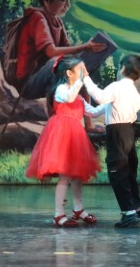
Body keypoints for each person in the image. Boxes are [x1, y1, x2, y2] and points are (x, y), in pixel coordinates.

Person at [25, 55, 103, 227]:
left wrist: (111, 104)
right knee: (65, 176)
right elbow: (68, 98)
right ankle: (59, 213)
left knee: (77, 175)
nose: (84, 72)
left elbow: (94, 112)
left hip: (76, 136)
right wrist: (81, 81)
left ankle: (78, 208)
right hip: (62, 135)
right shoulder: (61, 89)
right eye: (80, 69)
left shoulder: (79, 97)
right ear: (69, 73)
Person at [12, 0, 107, 102]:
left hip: (45, 77)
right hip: (28, 84)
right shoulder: (38, 18)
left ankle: (86, 112)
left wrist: (89, 54)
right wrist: (85, 47)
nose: (67, 5)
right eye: (63, 0)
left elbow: (67, 51)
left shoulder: (57, 22)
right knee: (56, 62)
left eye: (69, 0)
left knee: (77, 67)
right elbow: (51, 52)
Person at [81, 55, 140, 227]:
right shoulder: (132, 93)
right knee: (129, 172)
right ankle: (137, 208)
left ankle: (129, 213)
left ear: (122, 68)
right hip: (128, 132)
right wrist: (80, 101)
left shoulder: (117, 87)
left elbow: (100, 97)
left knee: (117, 172)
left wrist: (86, 78)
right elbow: (95, 111)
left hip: (117, 132)